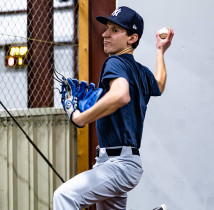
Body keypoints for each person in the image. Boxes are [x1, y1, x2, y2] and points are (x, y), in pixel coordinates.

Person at [53, 6, 174, 210]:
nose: (105, 34)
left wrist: (79, 118)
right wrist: (160, 50)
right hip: (119, 164)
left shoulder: (115, 62)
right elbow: (159, 84)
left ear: (132, 38)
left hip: (119, 165)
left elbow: (120, 94)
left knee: (64, 196)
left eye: (115, 30)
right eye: (107, 28)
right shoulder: (140, 71)